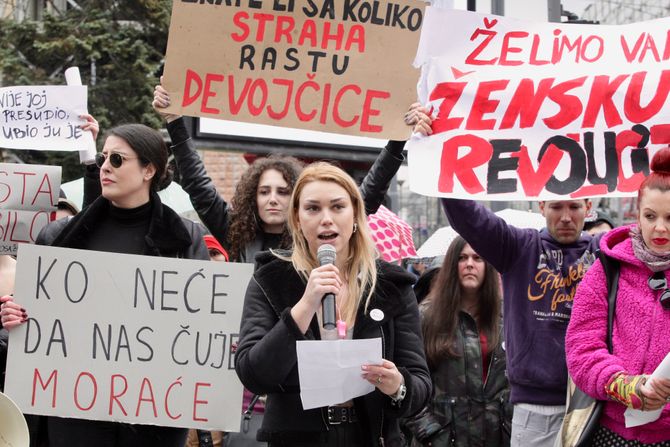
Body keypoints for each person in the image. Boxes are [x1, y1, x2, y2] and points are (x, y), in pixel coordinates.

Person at [0, 123, 209, 447]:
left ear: (148, 169)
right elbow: (29, 325)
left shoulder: (184, 239)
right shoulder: (57, 239)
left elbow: (200, 323)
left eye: (117, 160)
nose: (105, 168)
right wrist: (13, 317)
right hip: (72, 414)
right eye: (103, 158)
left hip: (152, 415)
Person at [408, 104, 601, 447]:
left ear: (589, 207)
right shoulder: (517, 247)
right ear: (540, 206)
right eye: (556, 206)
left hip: (591, 404)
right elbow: (467, 217)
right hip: (532, 408)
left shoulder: (606, 254)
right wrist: (435, 144)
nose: (567, 216)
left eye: (575, 206)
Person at [234, 162, 431, 446]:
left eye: (337, 207)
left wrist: (398, 385)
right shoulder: (270, 279)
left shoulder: (392, 286)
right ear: (298, 220)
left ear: (354, 216)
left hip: (370, 437)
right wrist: (305, 305)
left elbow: (421, 384)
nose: (326, 219)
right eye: (313, 208)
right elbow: (253, 374)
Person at [152, 79, 408, 264]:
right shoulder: (235, 233)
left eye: (283, 191)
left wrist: (398, 138)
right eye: (264, 191)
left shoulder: (314, 235)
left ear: (297, 200)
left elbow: (368, 194)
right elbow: (199, 185)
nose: (272, 198)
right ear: (253, 197)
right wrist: (175, 121)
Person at [565, 146, 670, 445]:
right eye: (650, 216)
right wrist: (625, 386)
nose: (659, 228)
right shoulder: (606, 269)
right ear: (637, 214)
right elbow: (581, 350)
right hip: (612, 433)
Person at [405, 236, 511, 447]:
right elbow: (408, 383)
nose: (469, 264)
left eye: (477, 258)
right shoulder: (426, 316)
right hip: (441, 439)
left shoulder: (507, 315)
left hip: (496, 437)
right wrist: (429, 433)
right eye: (462, 258)